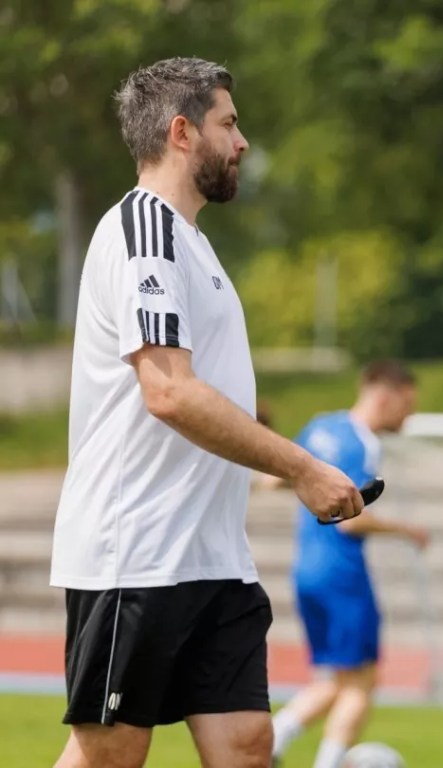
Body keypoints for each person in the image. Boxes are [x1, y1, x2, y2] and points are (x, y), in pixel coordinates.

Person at [50, 58, 365, 768]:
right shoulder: (145, 231)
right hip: (137, 550)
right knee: (110, 754)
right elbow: (169, 391)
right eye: (229, 123)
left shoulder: (190, 242)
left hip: (213, 555)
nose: (243, 141)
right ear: (182, 132)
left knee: (248, 745)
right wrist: (302, 467)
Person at [271, 360, 429, 768]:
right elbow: (350, 521)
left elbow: (276, 479)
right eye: (406, 405)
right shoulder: (362, 444)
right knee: (361, 681)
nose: (408, 417)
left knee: (332, 681)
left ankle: (270, 742)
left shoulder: (320, 426)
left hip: (307, 569)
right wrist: (405, 529)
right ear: (385, 396)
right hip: (341, 573)